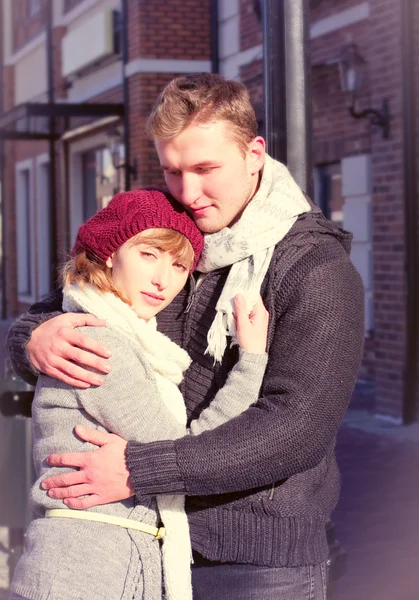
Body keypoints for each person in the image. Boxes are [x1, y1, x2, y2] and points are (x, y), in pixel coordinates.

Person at [7, 73, 365, 600]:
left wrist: (139, 468)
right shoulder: (162, 226)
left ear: (254, 154)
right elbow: (67, 300)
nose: (189, 193)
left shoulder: (314, 267)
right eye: (173, 171)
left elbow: (296, 427)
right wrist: (33, 339)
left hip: (256, 560)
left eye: (205, 169)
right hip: (145, 547)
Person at [8, 188, 270, 600]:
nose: (163, 280)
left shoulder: (120, 334)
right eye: (149, 254)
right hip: (87, 571)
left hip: (99, 565)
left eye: (180, 266)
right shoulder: (99, 343)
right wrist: (252, 360)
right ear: (110, 253)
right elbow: (182, 451)